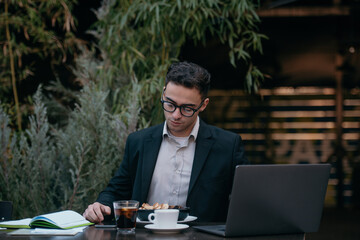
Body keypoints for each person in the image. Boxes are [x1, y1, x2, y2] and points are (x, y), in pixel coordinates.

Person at [83, 61, 248, 223]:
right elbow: (117, 190)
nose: (176, 115)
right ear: (163, 94)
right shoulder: (138, 142)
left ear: (203, 105)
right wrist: (100, 206)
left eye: (187, 108)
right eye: (170, 104)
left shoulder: (228, 146)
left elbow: (247, 200)